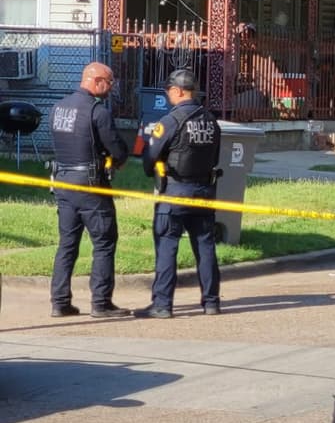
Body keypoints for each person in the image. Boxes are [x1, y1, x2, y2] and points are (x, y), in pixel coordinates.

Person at [135, 69, 223, 319]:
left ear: (178, 91)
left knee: (167, 246)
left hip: (174, 192)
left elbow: (150, 158)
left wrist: (152, 169)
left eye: (169, 91)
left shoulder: (170, 121)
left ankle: (162, 304)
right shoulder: (211, 121)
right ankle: (211, 302)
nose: (168, 95)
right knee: (205, 246)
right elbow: (215, 157)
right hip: (204, 191)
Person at [48, 62, 132, 318]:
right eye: (109, 82)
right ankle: (101, 303)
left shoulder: (58, 108)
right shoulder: (98, 112)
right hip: (91, 186)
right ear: (96, 81)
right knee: (104, 242)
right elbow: (117, 148)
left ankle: (60, 302)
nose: (111, 87)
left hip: (63, 182)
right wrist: (117, 159)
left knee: (67, 244)